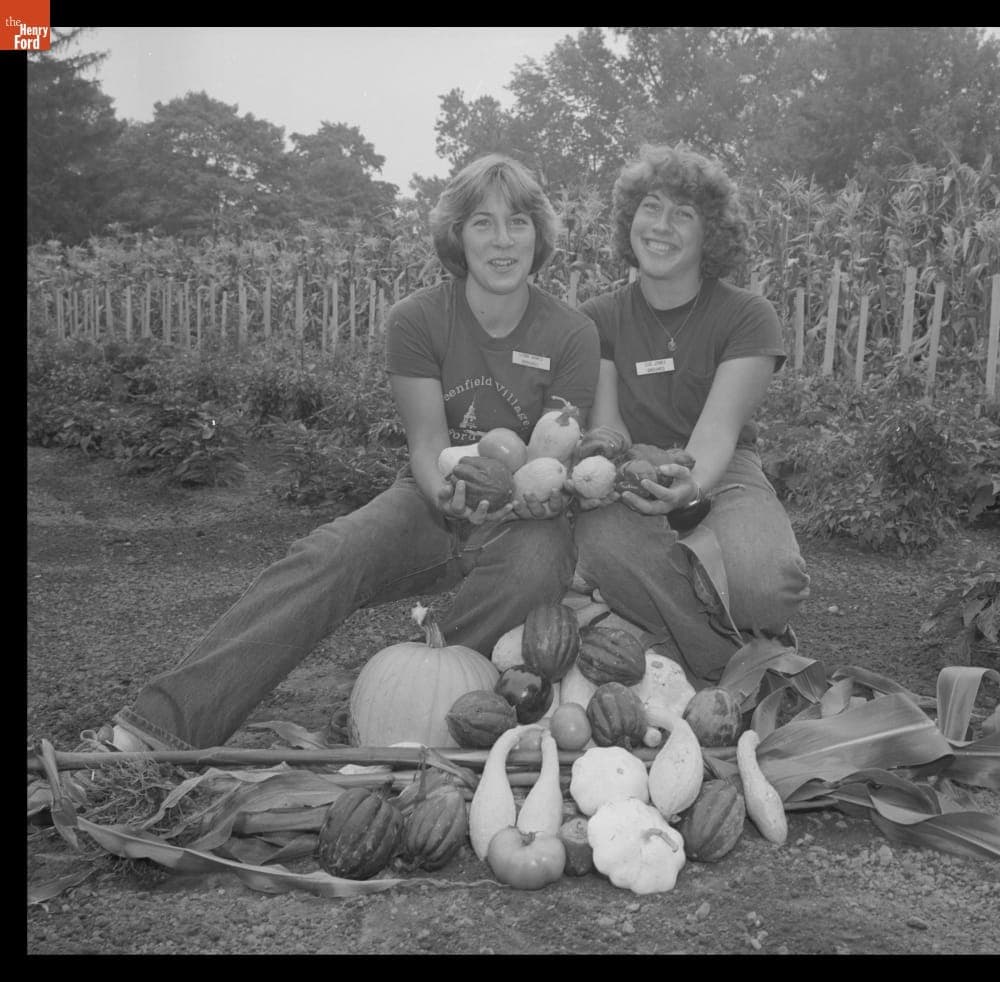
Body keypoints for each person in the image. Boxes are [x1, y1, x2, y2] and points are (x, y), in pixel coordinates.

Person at [84, 153, 600, 752]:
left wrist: (531, 504)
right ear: (457, 235)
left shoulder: (571, 332)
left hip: (525, 517)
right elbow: (427, 443)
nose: (502, 240)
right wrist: (445, 495)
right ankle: (161, 727)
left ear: (540, 234)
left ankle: (406, 712)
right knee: (330, 553)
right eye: (482, 223)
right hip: (435, 495)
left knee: (538, 563)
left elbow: (553, 456)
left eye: (518, 222)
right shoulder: (418, 319)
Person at [569, 144, 810, 686]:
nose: (661, 226)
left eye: (684, 214)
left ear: (711, 235)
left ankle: (646, 621)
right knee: (600, 540)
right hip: (630, 472)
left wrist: (691, 484)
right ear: (630, 220)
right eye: (650, 207)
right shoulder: (597, 319)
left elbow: (719, 430)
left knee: (769, 589)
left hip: (723, 471)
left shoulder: (747, 315)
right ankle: (733, 659)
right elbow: (610, 434)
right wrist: (636, 476)